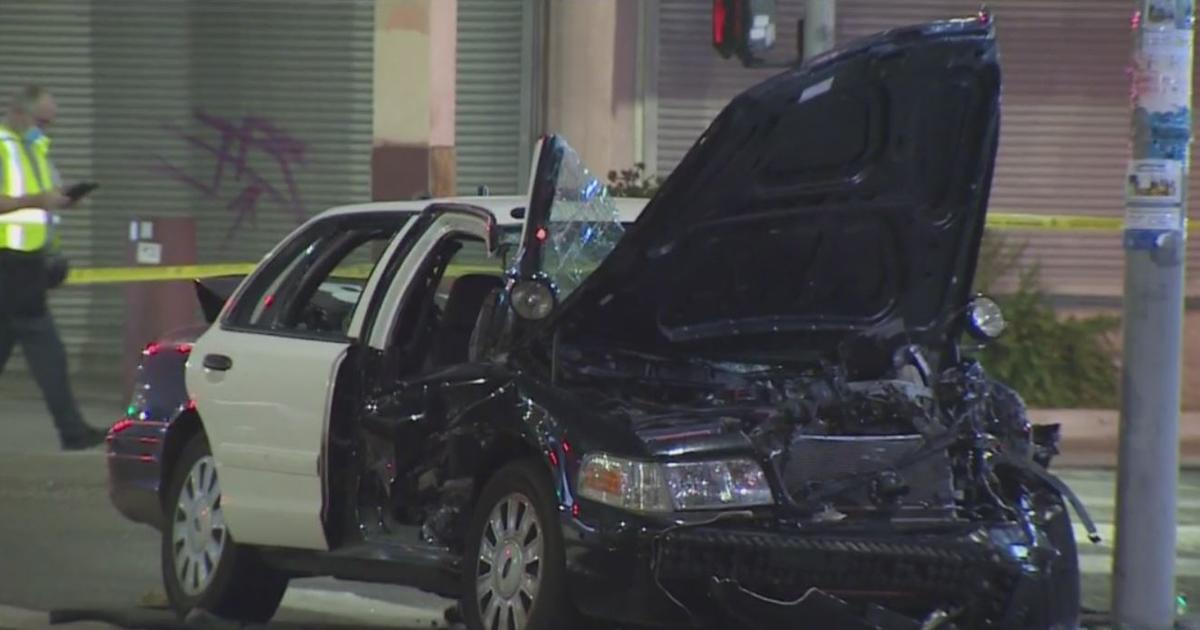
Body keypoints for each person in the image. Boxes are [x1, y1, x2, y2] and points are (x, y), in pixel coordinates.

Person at [0, 85, 106, 450]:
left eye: (48, 124)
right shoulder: (3, 146)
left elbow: (39, 210)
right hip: (8, 267)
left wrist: (60, 202)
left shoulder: (36, 152)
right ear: (17, 113)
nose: (44, 130)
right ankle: (72, 431)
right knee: (49, 353)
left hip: (27, 267)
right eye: (40, 122)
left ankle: (72, 431)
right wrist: (38, 199)